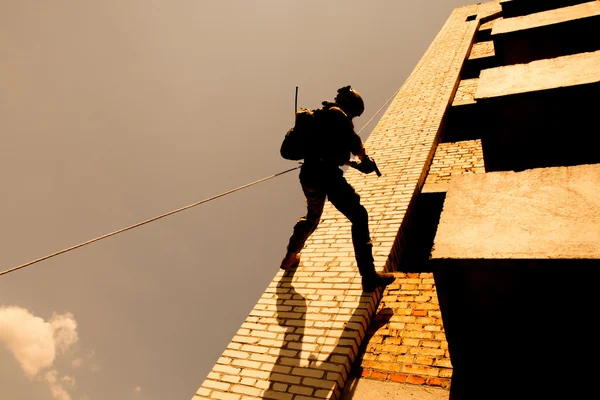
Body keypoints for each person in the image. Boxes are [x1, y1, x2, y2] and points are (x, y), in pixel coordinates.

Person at [279, 85, 395, 293]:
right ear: (350, 107)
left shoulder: (323, 119)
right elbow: (354, 142)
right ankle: (368, 277)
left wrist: (359, 166)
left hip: (310, 176)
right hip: (326, 175)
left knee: (312, 218)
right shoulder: (337, 114)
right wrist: (365, 158)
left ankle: (290, 257)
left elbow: (336, 155)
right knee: (359, 216)